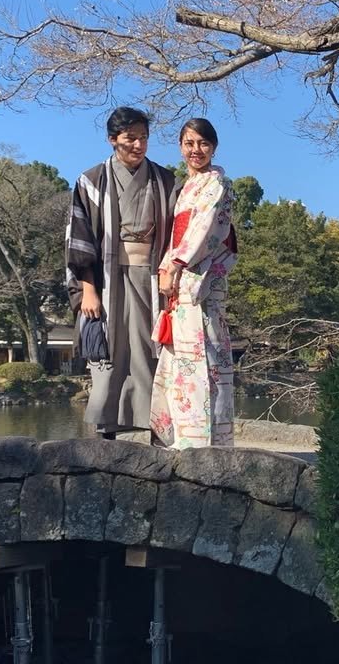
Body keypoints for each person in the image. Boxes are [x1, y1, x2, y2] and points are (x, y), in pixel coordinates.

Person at [65, 107, 178, 440]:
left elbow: (177, 234)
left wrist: (172, 272)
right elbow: (80, 238)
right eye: (130, 138)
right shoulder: (91, 180)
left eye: (144, 138)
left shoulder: (164, 180)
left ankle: (154, 424)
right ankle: (107, 425)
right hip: (107, 280)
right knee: (110, 351)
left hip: (152, 278)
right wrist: (88, 290)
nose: (138, 145)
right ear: (113, 139)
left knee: (149, 348)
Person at [150, 118, 237, 449]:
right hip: (182, 284)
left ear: (214, 147)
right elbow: (178, 235)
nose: (196, 150)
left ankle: (206, 444)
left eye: (203, 143)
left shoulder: (218, 184)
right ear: (180, 147)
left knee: (207, 359)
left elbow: (205, 230)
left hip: (201, 281)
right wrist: (167, 268)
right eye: (189, 143)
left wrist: (175, 264)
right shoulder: (187, 187)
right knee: (182, 362)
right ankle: (181, 437)